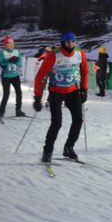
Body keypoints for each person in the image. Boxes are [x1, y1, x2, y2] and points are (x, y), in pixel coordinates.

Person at [33, 32, 88, 162]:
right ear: (63, 42)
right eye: (68, 42)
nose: (71, 44)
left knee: (78, 120)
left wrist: (84, 90)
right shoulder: (54, 54)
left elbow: (85, 72)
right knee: (57, 122)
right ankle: (47, 151)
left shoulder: (80, 53)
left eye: (73, 41)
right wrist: (37, 97)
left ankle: (69, 148)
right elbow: (41, 76)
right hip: (56, 92)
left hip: (73, 91)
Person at [0, 36, 26, 118]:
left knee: (19, 92)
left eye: (12, 43)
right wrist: (8, 61)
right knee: (6, 94)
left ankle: (18, 110)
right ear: (5, 45)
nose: (10, 45)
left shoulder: (17, 51)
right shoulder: (2, 53)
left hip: (15, 75)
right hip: (6, 76)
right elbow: (1, 63)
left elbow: (19, 63)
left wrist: (16, 61)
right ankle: (1, 111)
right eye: (8, 44)